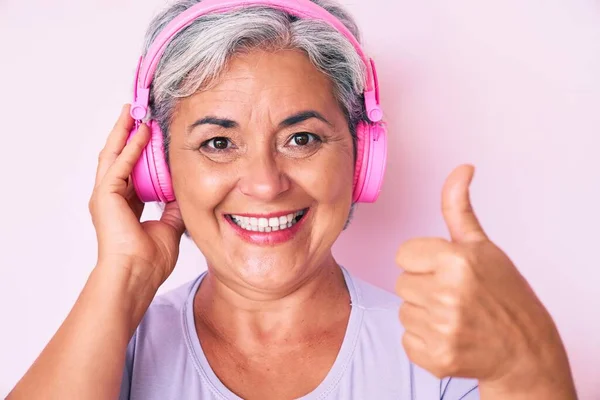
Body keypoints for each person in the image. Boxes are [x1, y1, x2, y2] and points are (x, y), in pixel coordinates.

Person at [8, 0, 578, 399]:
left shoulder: (453, 346)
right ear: (159, 171)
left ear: (360, 159)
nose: (264, 182)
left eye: (301, 138)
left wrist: (527, 367)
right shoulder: (109, 347)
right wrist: (124, 275)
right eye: (218, 143)